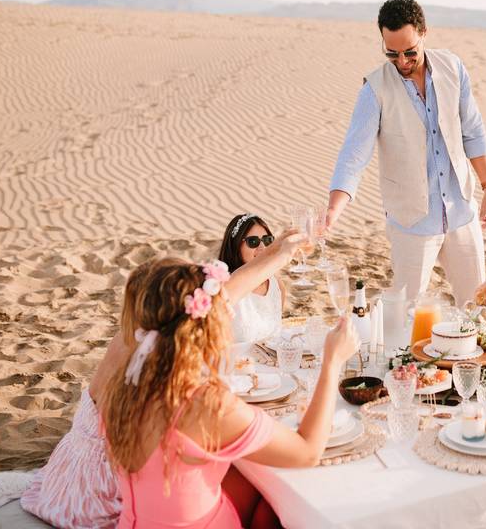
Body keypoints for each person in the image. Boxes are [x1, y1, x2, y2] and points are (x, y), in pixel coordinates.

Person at [100, 255, 358, 529]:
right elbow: (307, 453)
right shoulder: (205, 404)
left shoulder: (123, 388)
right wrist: (332, 361)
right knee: (280, 499)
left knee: (253, 480)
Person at [327, 0, 486, 305]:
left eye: (410, 52)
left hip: (461, 212)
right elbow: (354, 154)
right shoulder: (374, 90)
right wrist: (333, 210)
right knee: (405, 312)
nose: (402, 62)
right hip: (412, 223)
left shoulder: (453, 68)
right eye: (392, 53)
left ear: (424, 33)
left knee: (476, 307)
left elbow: (472, 130)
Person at [19, 260, 155, 528]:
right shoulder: (145, 350)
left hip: (70, 467)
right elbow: (124, 447)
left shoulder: (127, 334)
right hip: (97, 489)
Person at [217, 213, 289, 344]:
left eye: (267, 240)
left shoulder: (276, 285)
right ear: (236, 245)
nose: (262, 248)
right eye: (253, 241)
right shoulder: (225, 287)